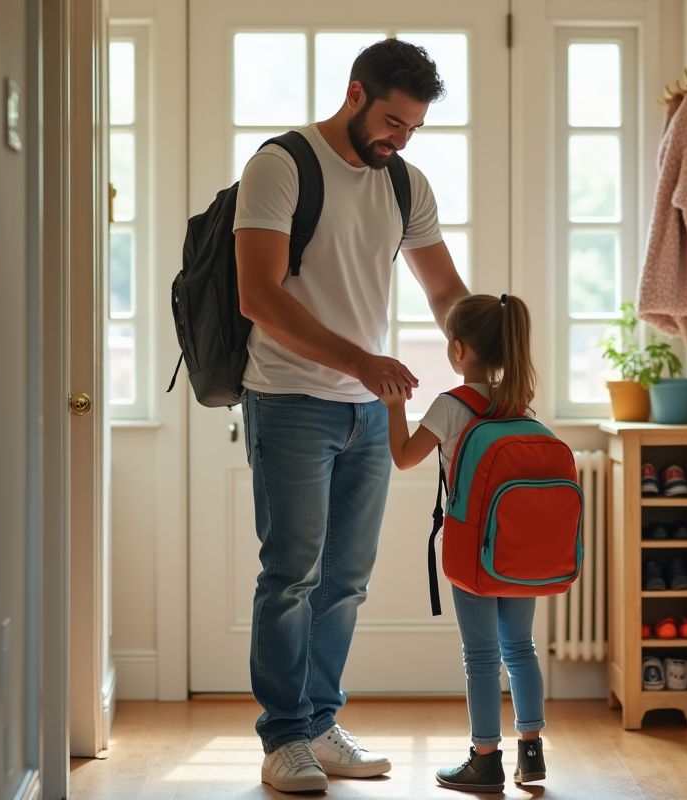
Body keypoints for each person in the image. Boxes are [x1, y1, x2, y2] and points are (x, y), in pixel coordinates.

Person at [235, 39, 469, 793]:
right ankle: (283, 738)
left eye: (414, 128)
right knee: (290, 575)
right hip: (289, 400)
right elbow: (258, 295)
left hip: (370, 412)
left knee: (345, 581)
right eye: (394, 122)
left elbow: (443, 292)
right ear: (355, 93)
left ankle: (319, 724)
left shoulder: (404, 183)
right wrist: (362, 362)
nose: (401, 139)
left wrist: (487, 346)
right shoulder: (282, 165)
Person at [377, 293, 548, 794]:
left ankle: (485, 760)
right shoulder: (517, 402)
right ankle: (532, 753)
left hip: (472, 550)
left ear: (458, 349)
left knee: (481, 655)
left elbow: (404, 457)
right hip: (520, 550)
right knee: (521, 648)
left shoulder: (450, 405)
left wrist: (394, 407)